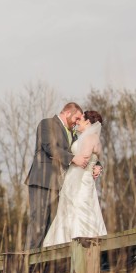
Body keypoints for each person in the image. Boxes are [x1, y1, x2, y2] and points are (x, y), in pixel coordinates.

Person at [25, 102, 90, 249]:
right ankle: (27, 265)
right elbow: (50, 147)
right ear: (68, 113)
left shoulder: (73, 134)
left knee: (51, 228)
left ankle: (43, 267)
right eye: (77, 118)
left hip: (61, 186)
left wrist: (97, 165)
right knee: (38, 224)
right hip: (42, 181)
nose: (77, 122)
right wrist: (72, 158)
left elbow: (83, 149)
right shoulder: (47, 124)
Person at [42, 110, 107, 246]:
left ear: (88, 122)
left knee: (79, 209)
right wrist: (97, 166)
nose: (77, 122)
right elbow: (95, 159)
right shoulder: (87, 137)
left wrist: (71, 185)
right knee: (74, 211)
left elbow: (83, 160)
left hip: (80, 181)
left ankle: (79, 245)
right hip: (81, 179)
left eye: (81, 120)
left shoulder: (90, 138)